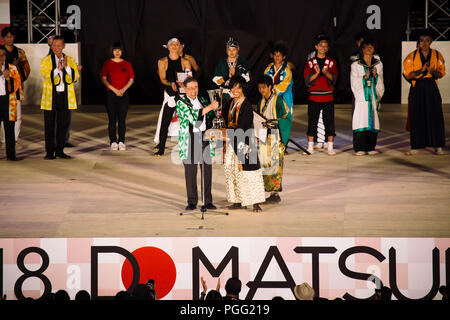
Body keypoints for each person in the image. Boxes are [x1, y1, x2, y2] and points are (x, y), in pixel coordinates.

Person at [222, 76, 265, 213]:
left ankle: (256, 202)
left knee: (250, 173)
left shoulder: (246, 105)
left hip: (245, 142)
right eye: (233, 87)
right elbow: (224, 119)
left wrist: (228, 133)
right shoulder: (230, 103)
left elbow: (243, 127)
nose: (235, 90)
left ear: (243, 89)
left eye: (238, 87)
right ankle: (237, 200)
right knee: (231, 171)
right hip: (231, 141)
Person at [176, 77, 218, 210]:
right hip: (190, 139)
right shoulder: (181, 102)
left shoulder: (203, 100)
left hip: (204, 137)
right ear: (185, 89)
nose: (194, 91)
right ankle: (192, 201)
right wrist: (211, 107)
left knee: (207, 170)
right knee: (191, 171)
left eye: (196, 87)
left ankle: (208, 201)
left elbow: (210, 117)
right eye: (190, 88)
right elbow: (194, 117)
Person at [403, 30, 446, 155]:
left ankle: (437, 145)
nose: (424, 43)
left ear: (431, 42)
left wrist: (432, 71)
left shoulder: (437, 55)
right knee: (416, 116)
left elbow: (441, 74)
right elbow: (408, 75)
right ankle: (415, 146)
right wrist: (421, 71)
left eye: (427, 40)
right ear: (419, 42)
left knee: (435, 116)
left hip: (432, 87)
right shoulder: (411, 56)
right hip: (417, 88)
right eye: (422, 40)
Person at [40, 35, 80, 159]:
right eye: (54, 45)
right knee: (49, 125)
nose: (57, 48)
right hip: (51, 97)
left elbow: (75, 77)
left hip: (65, 96)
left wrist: (67, 67)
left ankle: (60, 150)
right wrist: (57, 69)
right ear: (51, 47)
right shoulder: (46, 60)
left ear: (64, 46)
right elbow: (47, 76)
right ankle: (49, 152)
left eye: (59, 45)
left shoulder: (71, 60)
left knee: (63, 124)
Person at [154, 37, 192, 156]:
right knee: (165, 122)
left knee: (187, 122)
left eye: (177, 44)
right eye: (172, 44)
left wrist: (184, 83)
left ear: (180, 46)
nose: (174, 46)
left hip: (183, 95)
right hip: (170, 95)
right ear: (168, 47)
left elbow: (189, 78)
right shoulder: (162, 62)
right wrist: (172, 83)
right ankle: (161, 149)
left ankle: (188, 148)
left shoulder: (185, 62)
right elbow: (162, 79)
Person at [256, 75, 290, 204]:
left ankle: (275, 193)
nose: (262, 90)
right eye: (259, 88)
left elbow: (287, 117)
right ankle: (268, 191)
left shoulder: (278, 100)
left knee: (275, 164)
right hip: (265, 135)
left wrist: (275, 122)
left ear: (270, 87)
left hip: (276, 134)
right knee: (265, 163)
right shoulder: (261, 102)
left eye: (264, 87)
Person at [303, 35, 338, 156]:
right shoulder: (310, 63)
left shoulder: (331, 62)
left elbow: (334, 79)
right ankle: (310, 147)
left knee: (329, 122)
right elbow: (307, 80)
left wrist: (326, 72)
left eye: (325, 46)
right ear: (316, 47)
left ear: (327, 48)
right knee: (312, 121)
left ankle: (330, 147)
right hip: (314, 96)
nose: (323, 48)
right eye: (321, 45)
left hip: (328, 96)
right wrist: (317, 74)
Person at [350, 38, 384, 155]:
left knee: (373, 120)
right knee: (360, 120)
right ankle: (359, 148)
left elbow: (381, 81)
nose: (369, 49)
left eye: (371, 47)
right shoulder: (356, 64)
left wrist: (376, 76)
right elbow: (353, 82)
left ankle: (371, 147)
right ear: (362, 49)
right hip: (361, 98)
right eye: (366, 47)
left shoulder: (378, 64)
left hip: (373, 96)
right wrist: (364, 77)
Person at [100, 42, 134, 151]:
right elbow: (103, 78)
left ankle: (122, 141)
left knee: (122, 119)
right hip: (111, 94)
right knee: (112, 119)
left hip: (124, 94)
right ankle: (113, 141)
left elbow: (131, 79)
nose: (117, 52)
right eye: (115, 50)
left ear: (122, 51)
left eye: (119, 50)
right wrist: (114, 90)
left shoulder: (127, 64)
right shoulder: (107, 64)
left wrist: (123, 89)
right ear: (112, 51)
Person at [0, 27, 30, 143]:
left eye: (11, 36)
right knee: (3, 116)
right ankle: (3, 139)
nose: (9, 39)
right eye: (7, 37)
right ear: (3, 38)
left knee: (17, 115)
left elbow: (26, 69)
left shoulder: (20, 52)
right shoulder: (0, 51)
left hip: (15, 88)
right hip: (1, 88)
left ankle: (14, 138)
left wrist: (17, 67)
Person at [264, 41, 293, 148]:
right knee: (270, 120)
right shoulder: (268, 69)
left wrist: (270, 90)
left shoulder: (287, 70)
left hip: (284, 99)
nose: (276, 57)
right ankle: (271, 144)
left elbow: (284, 85)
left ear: (283, 57)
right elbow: (264, 82)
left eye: (279, 56)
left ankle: (282, 146)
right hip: (270, 99)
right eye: (275, 55)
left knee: (284, 122)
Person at [212, 37, 250, 104]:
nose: (231, 52)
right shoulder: (222, 62)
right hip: (225, 94)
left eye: (234, 49)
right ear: (226, 50)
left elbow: (245, 80)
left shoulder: (243, 62)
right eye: (229, 50)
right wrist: (227, 77)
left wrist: (235, 75)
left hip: (238, 93)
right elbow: (217, 81)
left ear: (238, 49)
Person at [0, 46, 21, 161]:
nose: (1, 58)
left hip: (8, 101)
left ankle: (11, 155)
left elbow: (17, 84)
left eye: (3, 55)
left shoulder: (12, 68)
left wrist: (8, 79)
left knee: (9, 129)